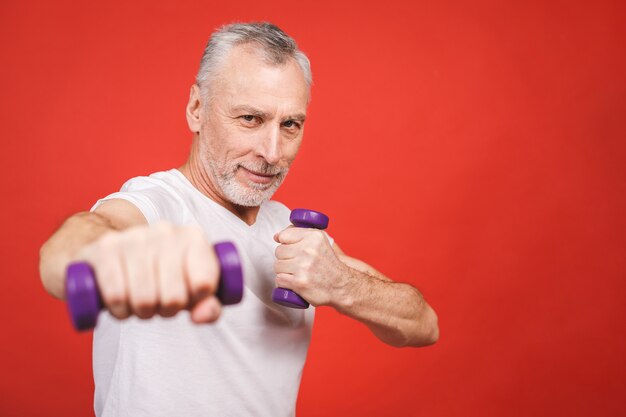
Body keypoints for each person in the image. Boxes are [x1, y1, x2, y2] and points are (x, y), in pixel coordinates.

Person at [39, 22, 439, 417]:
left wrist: (341, 283)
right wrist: (121, 259)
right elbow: (67, 255)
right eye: (250, 119)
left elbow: (423, 324)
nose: (271, 151)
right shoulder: (157, 204)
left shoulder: (292, 234)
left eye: (290, 125)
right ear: (197, 109)